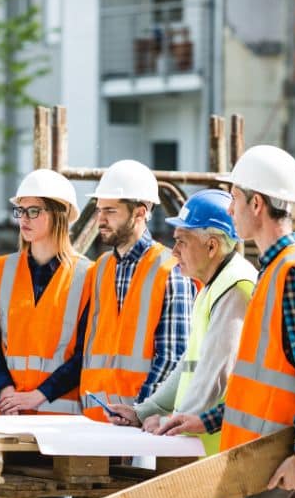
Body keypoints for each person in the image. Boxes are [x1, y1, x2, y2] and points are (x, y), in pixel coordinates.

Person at [156, 145, 295, 498]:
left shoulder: (292, 275)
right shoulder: (274, 272)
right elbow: (262, 386)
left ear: (256, 204)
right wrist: (206, 420)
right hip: (267, 451)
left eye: (236, 199)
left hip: (274, 455)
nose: (230, 210)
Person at [105, 189, 257, 456]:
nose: (173, 252)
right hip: (205, 445)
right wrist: (145, 412)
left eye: (182, 242)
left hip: (222, 450)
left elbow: (215, 375)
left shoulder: (235, 287)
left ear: (211, 246)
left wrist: (172, 422)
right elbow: (189, 366)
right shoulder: (213, 286)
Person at [80, 159, 196, 422]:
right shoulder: (100, 269)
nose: (101, 220)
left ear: (140, 212)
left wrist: (140, 410)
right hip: (95, 420)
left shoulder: (170, 270)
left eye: (110, 211)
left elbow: (173, 356)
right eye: (99, 210)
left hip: (143, 425)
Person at [0, 168, 90, 415]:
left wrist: (38, 396)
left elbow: (86, 354)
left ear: (59, 215)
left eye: (34, 211)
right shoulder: (3, 268)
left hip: (59, 421)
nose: (23, 219)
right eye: (20, 210)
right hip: (6, 415)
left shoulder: (88, 276)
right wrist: (5, 389)